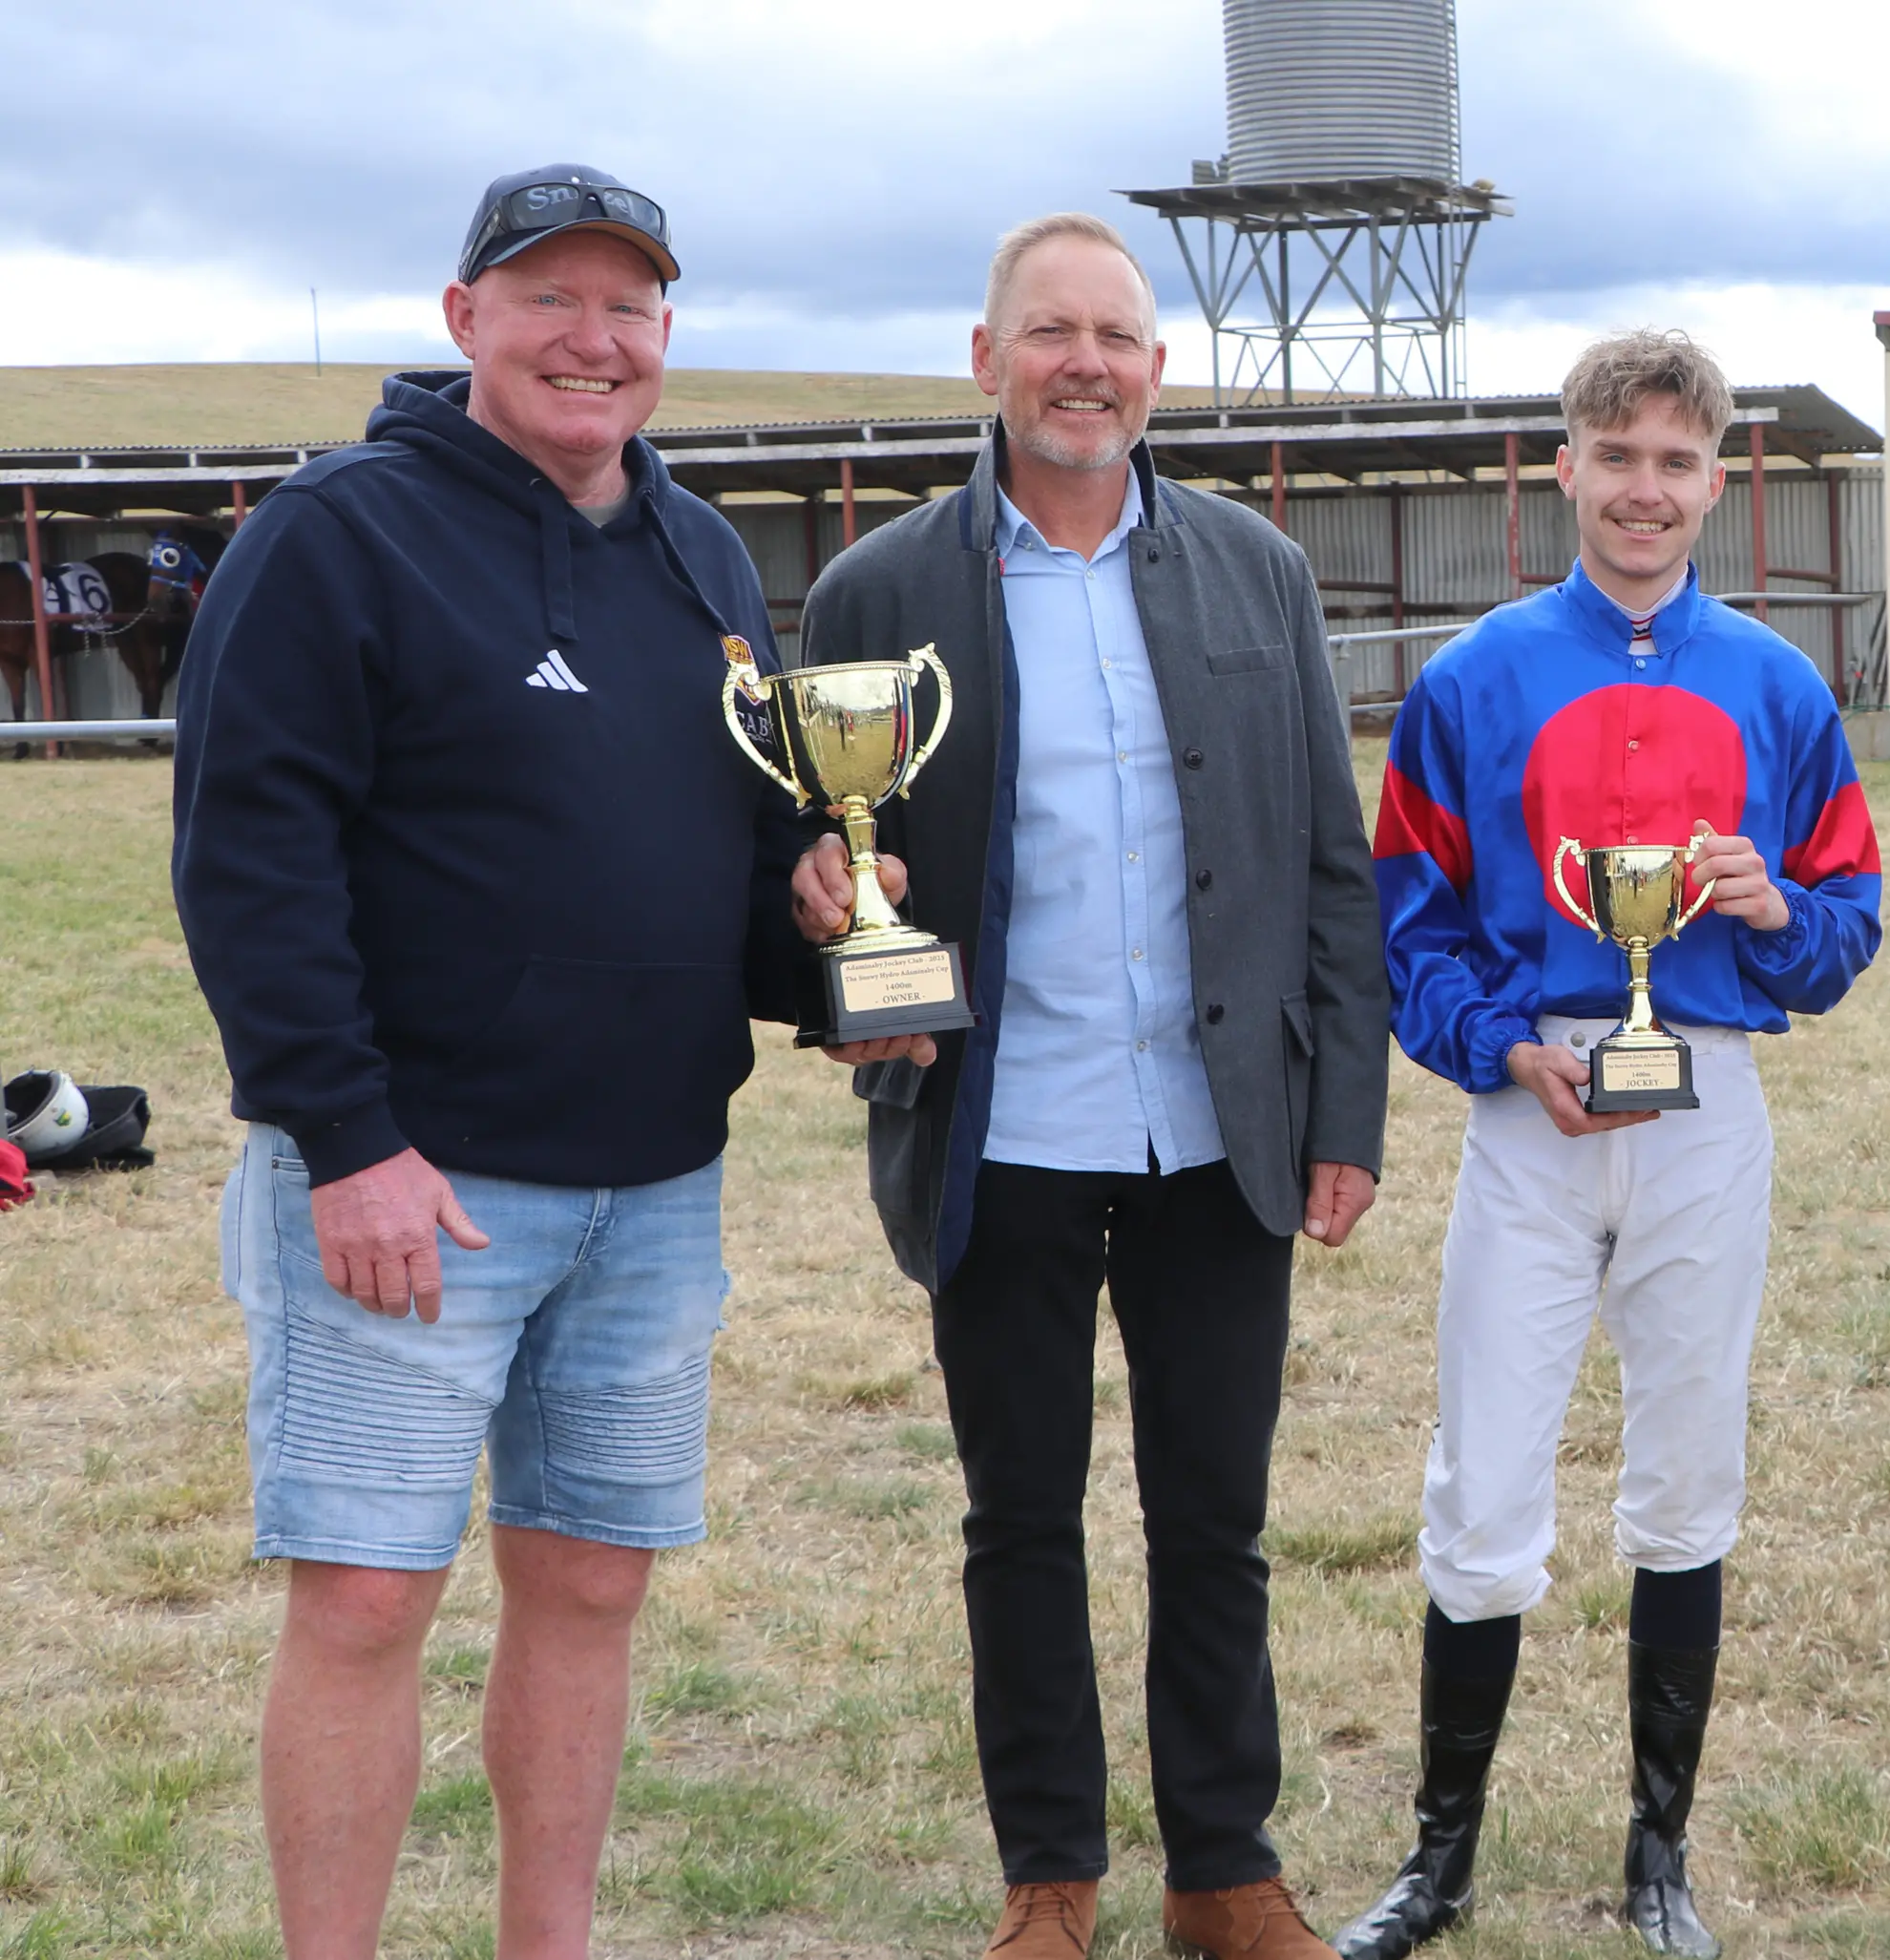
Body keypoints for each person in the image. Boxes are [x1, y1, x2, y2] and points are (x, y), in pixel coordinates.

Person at [173, 165, 801, 1959]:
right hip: (413, 1188)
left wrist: (829, 940)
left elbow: (744, 854)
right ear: (466, 324)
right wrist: (347, 1138)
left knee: (592, 1584)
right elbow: (249, 854)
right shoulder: (337, 533)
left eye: (629, 306)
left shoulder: (702, 556)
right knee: (368, 1602)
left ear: (666, 335)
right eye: (550, 300)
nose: (592, 340)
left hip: (655, 1188)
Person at [780, 212, 1386, 1960]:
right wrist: (832, 937)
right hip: (1002, 1135)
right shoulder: (879, 592)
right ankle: (1051, 1875)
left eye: (1117, 336)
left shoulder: (1257, 572)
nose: (1087, 364)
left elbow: (1328, 868)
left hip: (1217, 1134)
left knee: (1219, 1521)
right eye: (1050, 333)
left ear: (1158, 371)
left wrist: (1342, 1112)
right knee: (1019, 1520)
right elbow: (823, 865)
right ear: (987, 363)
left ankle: (1223, 1870)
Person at [1334, 329, 1883, 1960]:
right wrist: (1500, 1045)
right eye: (1616, 456)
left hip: (1707, 1098)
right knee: (1485, 1484)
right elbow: (1406, 926)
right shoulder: (1472, 681)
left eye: (1677, 462)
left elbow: (1845, 926)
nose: (1646, 490)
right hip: (1533, 1110)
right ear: (1562, 469)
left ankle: (1659, 1857)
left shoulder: (1779, 689)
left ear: (1720, 482)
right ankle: (1440, 1863)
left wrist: (1778, 907)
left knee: (1687, 1476)